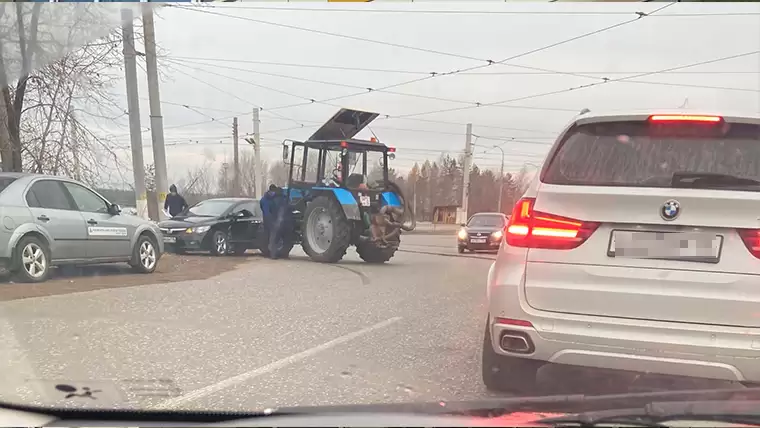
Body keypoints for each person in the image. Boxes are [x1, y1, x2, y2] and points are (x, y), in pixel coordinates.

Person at [260, 184, 284, 259]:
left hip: (271, 220)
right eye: (273, 192)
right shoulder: (265, 200)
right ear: (270, 191)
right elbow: (266, 212)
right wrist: (273, 222)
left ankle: (268, 253)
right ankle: (272, 254)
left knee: (269, 237)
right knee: (271, 237)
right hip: (268, 220)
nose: (274, 193)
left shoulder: (271, 198)